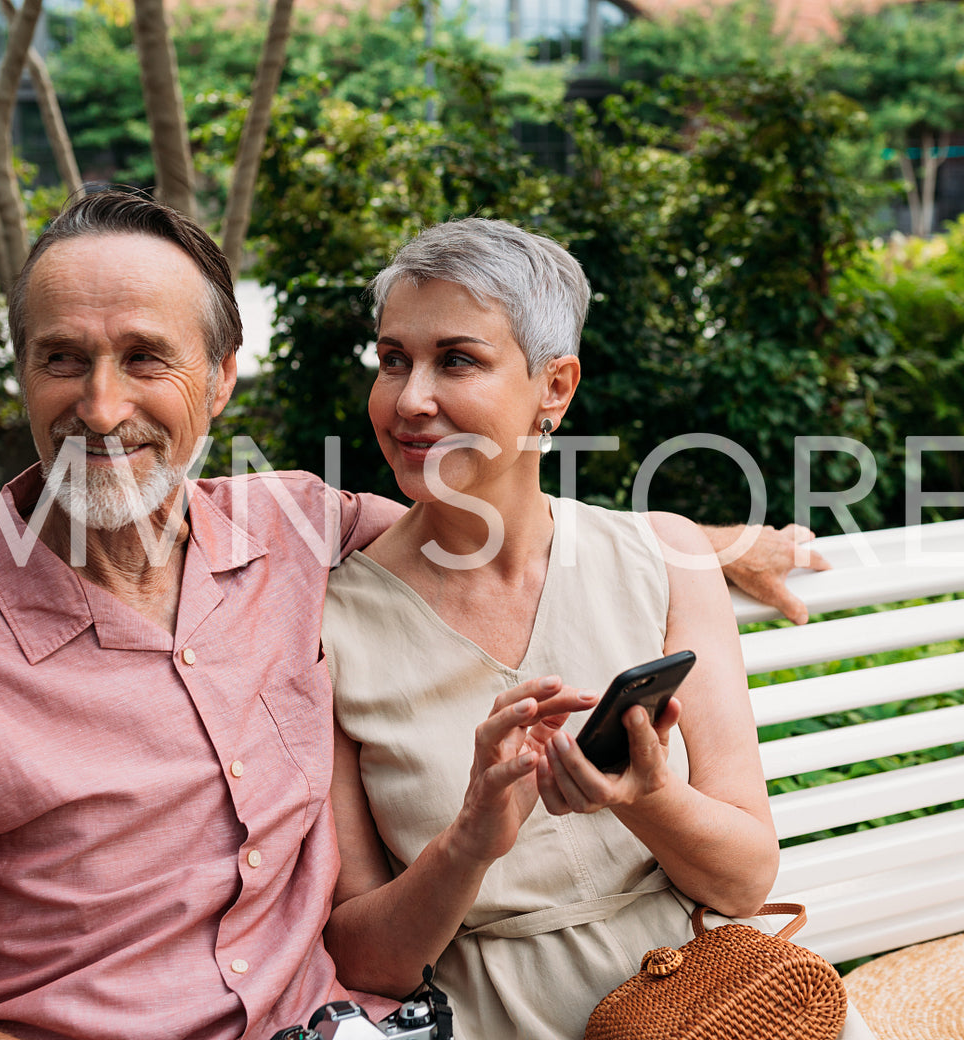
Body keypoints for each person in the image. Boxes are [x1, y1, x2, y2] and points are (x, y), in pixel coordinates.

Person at [0, 190, 827, 1040]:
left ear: (222, 379)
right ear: (24, 373)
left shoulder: (288, 534)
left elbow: (491, 520)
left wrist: (716, 541)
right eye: (61, 358)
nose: (98, 406)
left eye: (144, 357)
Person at [319, 218, 871, 1040]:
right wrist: (467, 845)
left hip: (715, 1003)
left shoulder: (666, 557)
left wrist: (646, 798)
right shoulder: (330, 623)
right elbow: (363, 960)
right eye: (391, 359)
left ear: (555, 387)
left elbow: (745, 881)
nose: (408, 400)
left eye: (457, 360)